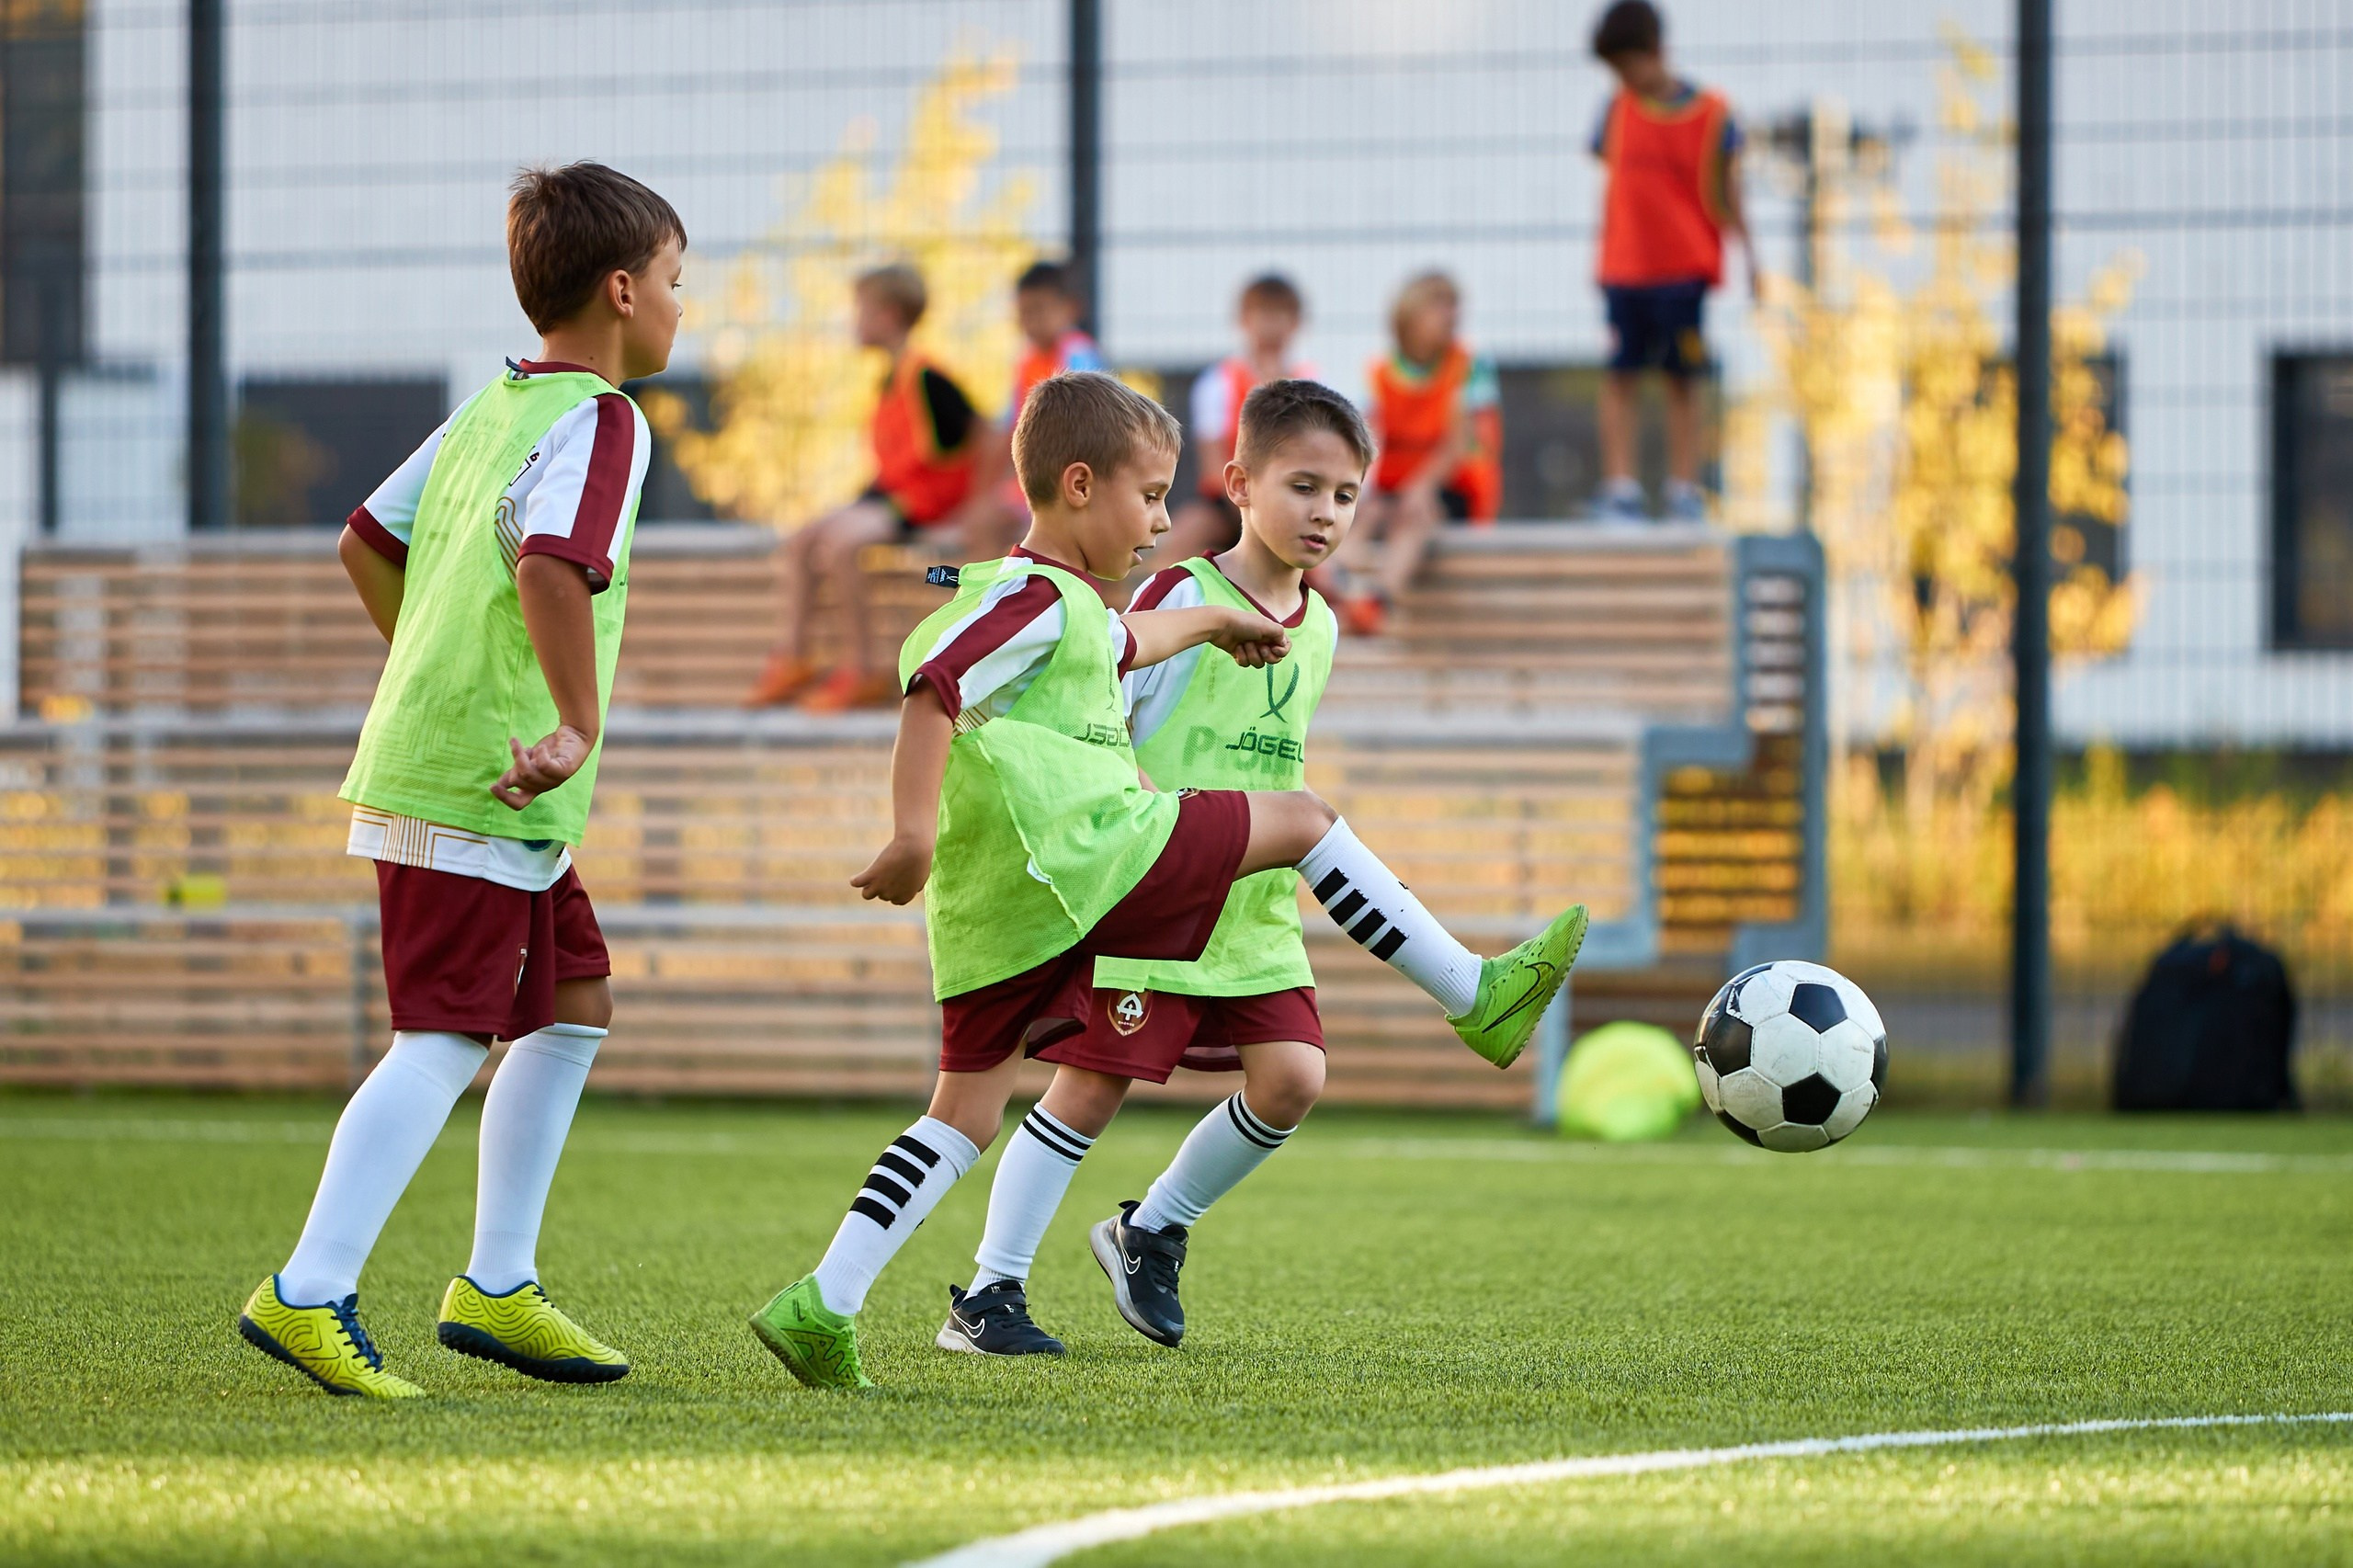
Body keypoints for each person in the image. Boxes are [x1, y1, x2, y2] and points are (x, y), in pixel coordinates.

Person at [745, 370, 1588, 1390]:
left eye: (1346, 496)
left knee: (962, 1113)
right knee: (1306, 823)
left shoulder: (1080, 607)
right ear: (1079, 485)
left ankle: (824, 1300)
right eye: (1148, 499)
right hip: (1104, 853)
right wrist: (910, 835)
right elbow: (934, 685)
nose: (1158, 521)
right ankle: (1474, 992)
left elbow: (1122, 641)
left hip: (1015, 903)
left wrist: (1211, 626)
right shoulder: (1030, 596)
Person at [236, 162, 684, 1398]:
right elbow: (553, 566)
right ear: (623, 288)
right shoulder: (606, 419)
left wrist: (440, 675)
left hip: (475, 772)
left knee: (573, 1000)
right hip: (488, 779)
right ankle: (308, 1289)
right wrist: (572, 720)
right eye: (680, 284)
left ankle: (496, 1283)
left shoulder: (494, 405)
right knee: (441, 1034)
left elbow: (366, 539)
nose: (682, 310)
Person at [938, 380, 1403, 1358]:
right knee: (1088, 1089)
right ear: (1238, 482)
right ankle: (987, 1292)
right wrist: (1128, 805)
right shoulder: (1178, 591)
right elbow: (1096, 697)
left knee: (1292, 1078)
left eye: (1347, 495)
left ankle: (1150, 1227)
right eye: (1305, 485)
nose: (1325, 512)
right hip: (1159, 875)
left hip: (1254, 906)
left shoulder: (1318, 623)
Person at [743, 263, 983, 711]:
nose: (853, 321)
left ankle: (864, 667)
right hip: (890, 496)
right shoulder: (892, 378)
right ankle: (793, 656)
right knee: (800, 541)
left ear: (888, 315)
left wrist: (972, 510)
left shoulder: (927, 377)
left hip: (920, 503)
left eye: (861, 310)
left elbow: (983, 435)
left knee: (838, 545)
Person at [1588, 0, 1756, 524]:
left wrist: (1753, 258)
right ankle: (1621, 489)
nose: (1623, 79)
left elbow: (1730, 192)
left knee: (1684, 378)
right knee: (1621, 377)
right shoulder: (1617, 110)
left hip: (1683, 272)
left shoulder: (1712, 115)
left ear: (1656, 51)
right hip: (1625, 270)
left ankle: (1685, 490)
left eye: (1628, 65)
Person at [1341, 270, 1503, 637]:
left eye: (1453, 307)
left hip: (1452, 483)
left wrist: (1422, 485)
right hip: (1396, 483)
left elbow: (1459, 443)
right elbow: (1367, 435)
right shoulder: (1381, 371)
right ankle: (1331, 585)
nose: (1451, 316)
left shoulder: (1468, 365)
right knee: (1363, 515)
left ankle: (1380, 599)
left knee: (1414, 517)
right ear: (1410, 315)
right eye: (1439, 306)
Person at [944, 259, 1107, 560]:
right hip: (1032, 485)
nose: (1030, 321)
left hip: (1073, 485)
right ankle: (990, 598)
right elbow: (1008, 430)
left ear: (1070, 308)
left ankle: (1059, 599)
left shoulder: (1078, 355)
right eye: (1023, 313)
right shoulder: (1025, 362)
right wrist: (982, 496)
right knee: (981, 524)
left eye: (1039, 310)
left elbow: (1087, 432)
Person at [1164, 273, 1312, 564]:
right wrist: (1250, 509)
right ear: (1244, 320)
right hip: (1229, 502)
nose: (1270, 327)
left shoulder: (1313, 383)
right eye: (1262, 315)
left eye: (1279, 316)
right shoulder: (1218, 382)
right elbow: (1213, 464)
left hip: (1294, 501)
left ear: (1295, 323)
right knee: (1183, 536)